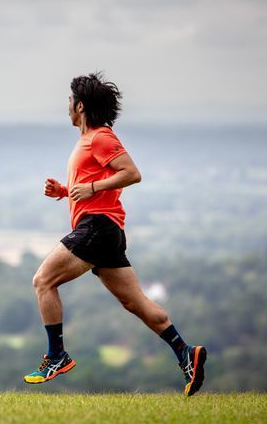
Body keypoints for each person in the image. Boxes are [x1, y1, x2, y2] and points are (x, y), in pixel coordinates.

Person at [23, 72, 207, 396]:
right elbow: (93, 185)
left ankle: (56, 356)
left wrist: (91, 186)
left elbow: (132, 174)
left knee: (43, 281)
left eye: (69, 101)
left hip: (97, 227)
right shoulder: (88, 141)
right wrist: (66, 191)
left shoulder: (100, 137)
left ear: (79, 105)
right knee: (135, 303)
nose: (66, 107)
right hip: (107, 231)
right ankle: (186, 353)